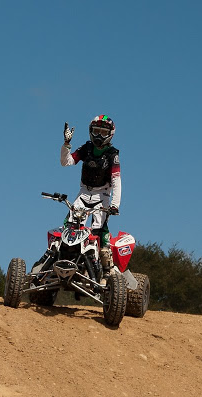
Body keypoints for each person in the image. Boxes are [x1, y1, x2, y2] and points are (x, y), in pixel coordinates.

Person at [60, 115, 121, 286]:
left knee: (98, 230)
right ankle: (66, 260)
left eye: (103, 132)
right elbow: (66, 162)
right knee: (70, 226)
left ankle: (107, 271)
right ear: (90, 132)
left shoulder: (112, 155)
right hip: (83, 193)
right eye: (96, 131)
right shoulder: (86, 148)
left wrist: (115, 205)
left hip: (102, 196)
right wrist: (66, 145)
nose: (99, 135)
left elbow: (117, 180)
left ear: (110, 134)